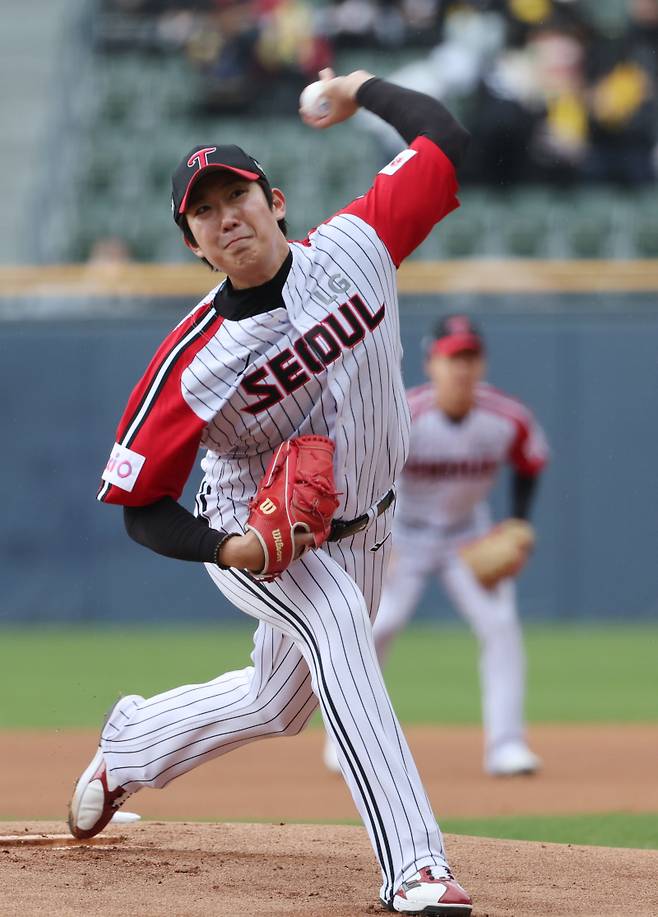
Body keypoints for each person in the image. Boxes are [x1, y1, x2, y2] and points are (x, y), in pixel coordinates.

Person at [67, 68, 474, 915]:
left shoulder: (358, 245)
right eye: (204, 212)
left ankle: (131, 743)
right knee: (339, 628)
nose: (226, 216)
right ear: (193, 244)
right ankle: (415, 866)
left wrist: (360, 87)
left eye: (237, 195)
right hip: (259, 531)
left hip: (370, 526)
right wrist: (228, 547)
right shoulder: (193, 362)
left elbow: (444, 143)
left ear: (274, 201)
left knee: (279, 701)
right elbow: (140, 506)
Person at [324, 315, 548, 777]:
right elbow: (366, 474)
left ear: (482, 364)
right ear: (431, 364)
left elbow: (530, 461)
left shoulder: (506, 417)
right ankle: (346, 738)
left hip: (467, 535)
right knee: (376, 628)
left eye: (470, 357)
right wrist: (376, 538)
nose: (461, 368)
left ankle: (507, 746)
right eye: (452, 358)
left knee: (500, 627)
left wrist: (518, 525)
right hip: (402, 534)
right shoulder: (406, 415)